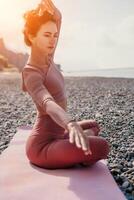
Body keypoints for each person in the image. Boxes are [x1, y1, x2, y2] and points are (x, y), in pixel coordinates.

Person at [21, 0, 110, 169]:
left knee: (93, 126)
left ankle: (70, 145)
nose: (53, 40)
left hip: (59, 132)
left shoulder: (48, 56)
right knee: (102, 146)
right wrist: (70, 123)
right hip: (42, 147)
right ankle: (72, 150)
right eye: (47, 35)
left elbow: (58, 20)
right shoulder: (31, 72)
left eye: (55, 35)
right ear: (32, 36)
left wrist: (53, 10)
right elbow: (48, 103)